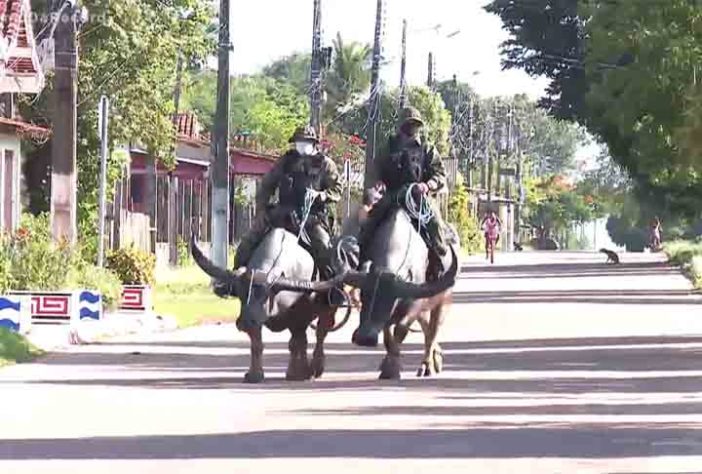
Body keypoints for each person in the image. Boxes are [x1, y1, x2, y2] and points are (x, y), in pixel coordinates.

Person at [233, 125, 342, 279]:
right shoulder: (285, 161)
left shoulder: (325, 164)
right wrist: (262, 210)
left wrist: (322, 195)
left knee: (324, 245)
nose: (301, 144)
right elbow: (266, 185)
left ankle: (333, 287)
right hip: (283, 213)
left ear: (313, 143)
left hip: (312, 217)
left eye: (305, 141)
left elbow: (337, 189)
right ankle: (235, 277)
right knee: (250, 238)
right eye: (298, 141)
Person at [358, 107, 448, 265]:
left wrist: (427, 185)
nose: (412, 128)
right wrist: (377, 183)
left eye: (415, 124)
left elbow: (440, 174)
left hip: (417, 196)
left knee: (433, 220)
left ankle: (439, 258)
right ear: (401, 125)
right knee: (370, 222)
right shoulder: (388, 147)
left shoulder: (427, 148)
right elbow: (374, 171)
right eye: (408, 124)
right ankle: (361, 257)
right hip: (392, 195)